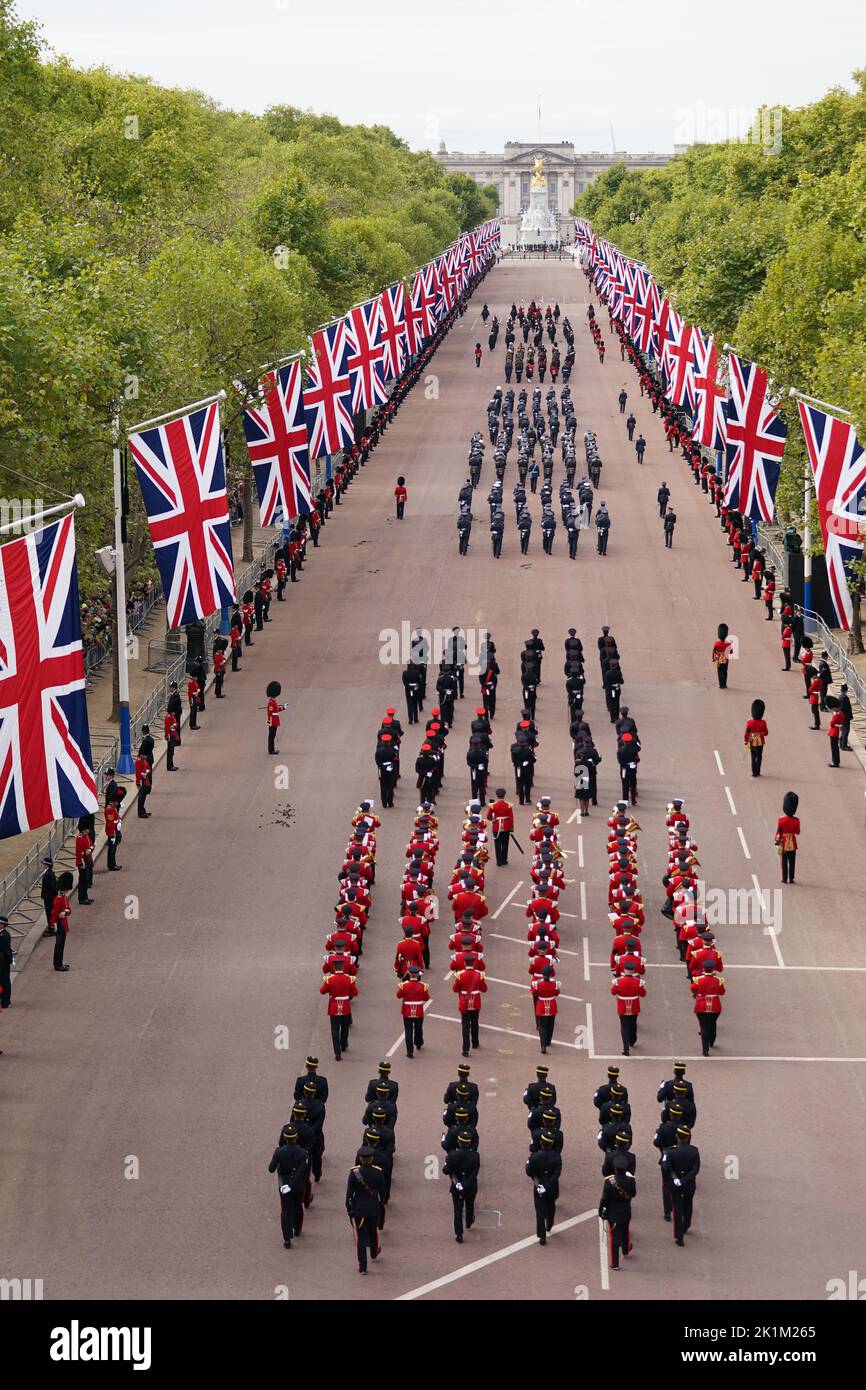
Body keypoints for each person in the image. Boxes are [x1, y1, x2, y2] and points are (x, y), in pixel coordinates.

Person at [346, 1147, 387, 1274]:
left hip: (359, 1210)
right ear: (372, 1158)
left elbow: (349, 1194)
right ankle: (374, 1253)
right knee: (373, 1232)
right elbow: (383, 1193)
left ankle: (362, 1266)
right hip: (373, 1209)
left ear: (360, 1159)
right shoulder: (378, 1173)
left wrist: (349, 1208)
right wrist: (379, 1204)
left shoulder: (355, 1173)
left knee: (361, 1238)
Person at [268, 1124, 309, 1249]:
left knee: (285, 1210)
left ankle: (287, 1238)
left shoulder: (279, 1152)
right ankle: (297, 1228)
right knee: (298, 1206)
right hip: (298, 1185)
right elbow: (302, 1171)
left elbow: (271, 1169)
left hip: (284, 1184)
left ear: (285, 1138)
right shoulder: (303, 1153)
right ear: (296, 1137)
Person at [661, 1127, 700, 1246]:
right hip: (689, 1184)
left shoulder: (670, 1151)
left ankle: (679, 1236)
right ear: (688, 1137)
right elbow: (695, 1169)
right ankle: (686, 1225)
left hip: (675, 1184)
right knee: (688, 1204)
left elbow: (665, 1167)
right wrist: (685, 1180)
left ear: (677, 1137)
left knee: (677, 1208)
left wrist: (672, 1180)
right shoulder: (694, 1151)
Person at [599, 1155, 636, 1270]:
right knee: (625, 1231)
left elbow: (605, 1198)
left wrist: (601, 1210)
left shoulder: (609, 1182)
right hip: (625, 1210)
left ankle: (615, 1263)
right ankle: (625, 1250)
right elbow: (633, 1194)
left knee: (614, 1237)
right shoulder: (631, 1181)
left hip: (612, 1212)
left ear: (615, 1168)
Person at [525, 1129, 562, 1245]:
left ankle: (542, 1236)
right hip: (552, 1186)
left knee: (539, 1211)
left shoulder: (535, 1157)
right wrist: (548, 1185)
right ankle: (549, 1223)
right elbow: (557, 1174)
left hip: (538, 1185)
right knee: (551, 1205)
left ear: (541, 1142)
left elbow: (529, 1172)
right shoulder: (556, 1157)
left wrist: (541, 1184)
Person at [444, 1130, 480, 1242]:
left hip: (456, 1185)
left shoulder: (452, 1155)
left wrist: (459, 1183)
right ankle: (469, 1222)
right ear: (469, 1142)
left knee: (458, 1210)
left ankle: (459, 1234)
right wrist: (466, 1184)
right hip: (470, 1186)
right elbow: (475, 1173)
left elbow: (446, 1170)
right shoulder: (475, 1156)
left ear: (459, 1142)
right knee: (470, 1205)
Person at [320, 961, 359, 1059]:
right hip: (345, 1006)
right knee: (345, 1027)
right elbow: (355, 993)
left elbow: (322, 991)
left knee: (335, 1030)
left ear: (334, 967)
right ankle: (343, 1044)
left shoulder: (329, 979)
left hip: (334, 1006)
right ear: (342, 967)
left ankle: (337, 1053)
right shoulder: (349, 979)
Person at [690, 960, 725, 1056]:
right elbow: (722, 992)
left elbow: (692, 988)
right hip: (715, 1005)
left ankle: (705, 1049)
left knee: (704, 1026)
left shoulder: (699, 979)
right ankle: (711, 1041)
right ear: (713, 969)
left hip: (702, 1005)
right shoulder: (718, 980)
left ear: (704, 969)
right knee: (712, 1023)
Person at [453, 958, 487, 1056]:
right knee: (475, 1022)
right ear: (474, 963)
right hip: (475, 1001)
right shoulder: (479, 975)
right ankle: (475, 1042)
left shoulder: (460, 975)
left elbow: (455, 989)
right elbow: (484, 989)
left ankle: (465, 1049)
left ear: (464, 963)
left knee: (465, 1025)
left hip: (464, 1002)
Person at [611, 963, 645, 1056]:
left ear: (624, 970)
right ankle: (632, 1040)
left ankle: (626, 1049)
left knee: (624, 1027)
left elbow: (613, 992)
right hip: (634, 1006)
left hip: (622, 1006)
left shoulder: (618, 981)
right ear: (633, 971)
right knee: (633, 1024)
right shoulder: (638, 982)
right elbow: (643, 993)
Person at [396, 965, 429, 1058]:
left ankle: (410, 1052)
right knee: (418, 1028)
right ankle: (418, 1043)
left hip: (407, 1010)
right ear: (418, 975)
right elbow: (427, 998)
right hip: (418, 1010)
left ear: (409, 974)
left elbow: (398, 995)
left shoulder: (404, 985)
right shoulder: (423, 986)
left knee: (408, 1031)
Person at [50, 871, 74, 971]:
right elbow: (54, 913)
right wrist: (54, 924)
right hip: (59, 924)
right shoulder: (58, 899)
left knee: (61, 945)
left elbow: (69, 909)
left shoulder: (63, 897)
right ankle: (57, 965)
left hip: (63, 924)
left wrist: (65, 912)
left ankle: (60, 963)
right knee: (59, 945)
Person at [775, 790, 800, 885]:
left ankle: (784, 878)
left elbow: (778, 832)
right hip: (792, 843)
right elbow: (797, 832)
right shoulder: (797, 821)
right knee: (792, 861)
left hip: (783, 842)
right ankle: (791, 878)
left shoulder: (781, 820)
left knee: (784, 861)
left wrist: (776, 841)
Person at [488, 788, 514, 866]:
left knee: (497, 844)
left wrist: (494, 818)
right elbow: (511, 817)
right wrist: (511, 827)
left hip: (496, 826)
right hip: (506, 826)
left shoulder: (493, 805)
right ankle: (504, 859)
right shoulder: (508, 805)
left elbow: (489, 817)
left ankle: (498, 861)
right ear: (504, 795)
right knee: (505, 843)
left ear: (497, 795)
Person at [744, 698, 769, 777]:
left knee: (753, 756)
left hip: (752, 739)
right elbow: (766, 733)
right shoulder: (763, 723)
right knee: (759, 756)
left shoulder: (749, 723)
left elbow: (747, 733)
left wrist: (746, 740)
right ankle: (758, 771)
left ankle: (754, 772)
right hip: (760, 740)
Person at [75, 817, 94, 903]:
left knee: (86, 880)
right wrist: (80, 863)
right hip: (83, 861)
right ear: (83, 829)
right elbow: (79, 853)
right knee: (82, 881)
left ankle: (85, 897)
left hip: (88, 859)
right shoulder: (79, 838)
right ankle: (82, 898)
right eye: (87, 829)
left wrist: (90, 849)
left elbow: (91, 844)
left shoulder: (86, 836)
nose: (88, 830)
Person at [266, 681, 287, 755]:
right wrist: (280, 709)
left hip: (273, 721)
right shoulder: (271, 703)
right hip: (272, 721)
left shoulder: (273, 701)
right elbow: (271, 713)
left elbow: (276, 710)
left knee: (272, 735)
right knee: (272, 736)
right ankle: (271, 750)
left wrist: (283, 708)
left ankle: (271, 749)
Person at [40, 856, 58, 936]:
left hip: (49, 897)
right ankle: (51, 926)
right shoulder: (48, 873)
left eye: (44, 863)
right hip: (49, 896)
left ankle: (51, 928)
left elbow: (52, 887)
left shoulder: (48, 874)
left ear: (47, 865)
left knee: (49, 912)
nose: (43, 865)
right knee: (49, 912)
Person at [712, 623, 733, 689]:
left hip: (719, 659)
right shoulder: (728, 644)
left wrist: (713, 657)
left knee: (719, 672)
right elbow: (731, 652)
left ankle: (720, 684)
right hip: (726, 659)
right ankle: (724, 684)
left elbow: (714, 651)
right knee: (725, 672)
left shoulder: (716, 643)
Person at [0, 915, 13, 1010]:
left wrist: (9, 959)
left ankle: (5, 1000)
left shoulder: (4, 935)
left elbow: (5, 950)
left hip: (3, 961)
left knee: (4, 981)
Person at [134, 751, 152, 818]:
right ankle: (140, 813)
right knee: (141, 798)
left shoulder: (143, 760)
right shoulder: (138, 761)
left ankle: (143, 811)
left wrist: (146, 772)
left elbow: (148, 768)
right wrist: (138, 784)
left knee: (143, 797)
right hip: (141, 781)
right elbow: (137, 773)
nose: (146, 757)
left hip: (145, 780)